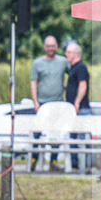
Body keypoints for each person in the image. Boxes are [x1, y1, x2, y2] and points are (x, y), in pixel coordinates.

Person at [30, 35, 69, 168]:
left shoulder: (63, 62)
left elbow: (73, 74)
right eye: (48, 46)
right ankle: (34, 159)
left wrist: (68, 88)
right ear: (44, 47)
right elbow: (34, 82)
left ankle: (53, 160)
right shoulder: (37, 63)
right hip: (42, 103)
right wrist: (35, 102)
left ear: (56, 46)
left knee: (55, 134)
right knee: (37, 133)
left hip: (58, 103)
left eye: (53, 46)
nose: (50, 48)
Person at [65, 42, 92, 171]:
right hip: (74, 109)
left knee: (83, 138)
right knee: (73, 138)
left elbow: (83, 85)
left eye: (69, 52)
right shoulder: (73, 68)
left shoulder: (81, 67)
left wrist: (77, 102)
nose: (66, 55)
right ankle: (75, 164)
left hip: (80, 109)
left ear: (76, 54)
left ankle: (86, 166)